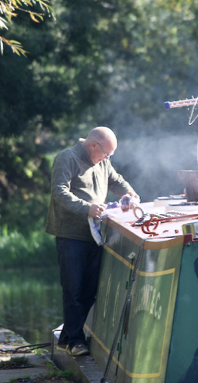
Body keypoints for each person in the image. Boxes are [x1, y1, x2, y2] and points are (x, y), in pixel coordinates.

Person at [45, 127, 139, 356]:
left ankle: (68, 336)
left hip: (96, 235)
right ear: (94, 145)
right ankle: (76, 341)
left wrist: (130, 195)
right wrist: (87, 208)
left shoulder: (103, 163)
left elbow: (117, 181)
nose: (107, 159)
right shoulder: (67, 158)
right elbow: (59, 191)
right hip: (71, 235)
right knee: (73, 289)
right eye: (106, 154)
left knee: (90, 290)